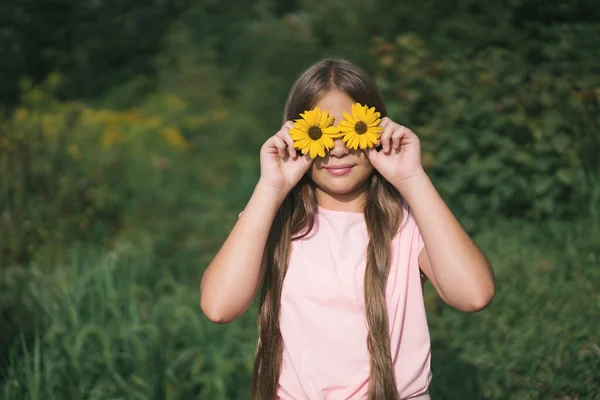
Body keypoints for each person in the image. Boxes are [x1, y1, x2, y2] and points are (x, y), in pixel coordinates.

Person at [199, 58, 495, 400]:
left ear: (379, 130)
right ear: (296, 136)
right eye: (320, 134)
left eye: (353, 131)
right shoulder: (273, 220)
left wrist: (413, 179)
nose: (338, 149)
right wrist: (270, 188)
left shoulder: (406, 223)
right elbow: (219, 306)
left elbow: (474, 294)